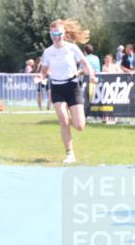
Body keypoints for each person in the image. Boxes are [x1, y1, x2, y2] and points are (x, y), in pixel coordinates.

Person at [40, 19, 97, 164]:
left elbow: (84, 62)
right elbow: (43, 71)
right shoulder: (48, 52)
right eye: (53, 34)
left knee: (79, 126)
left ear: (64, 33)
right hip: (57, 88)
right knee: (64, 121)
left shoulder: (72, 48)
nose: (56, 36)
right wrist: (39, 77)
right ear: (50, 34)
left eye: (59, 33)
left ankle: (76, 115)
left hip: (72, 86)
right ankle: (69, 154)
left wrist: (91, 75)